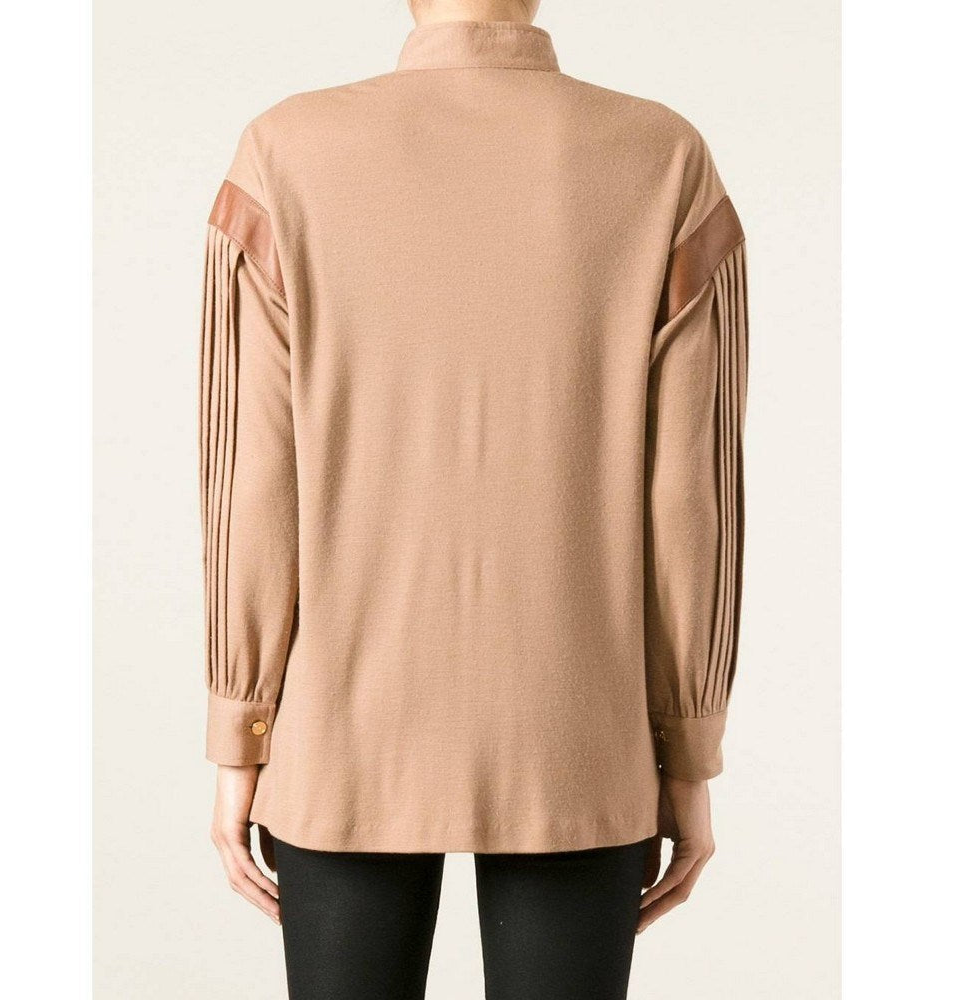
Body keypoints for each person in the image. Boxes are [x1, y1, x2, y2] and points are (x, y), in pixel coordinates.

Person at [198, 0, 748, 996]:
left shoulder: (286, 151)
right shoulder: (662, 158)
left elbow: (254, 483)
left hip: (344, 725)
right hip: (577, 731)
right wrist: (687, 750)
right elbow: (689, 504)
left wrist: (241, 730)